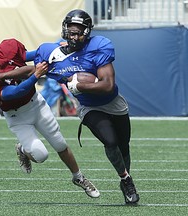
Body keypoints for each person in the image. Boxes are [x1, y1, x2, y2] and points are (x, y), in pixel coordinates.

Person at [0, 39, 100, 198]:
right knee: (41, 155)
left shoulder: (7, 50)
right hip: (17, 117)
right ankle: (22, 149)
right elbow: (14, 92)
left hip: (36, 105)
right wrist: (35, 75)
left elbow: (32, 55)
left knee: (60, 144)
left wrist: (62, 48)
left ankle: (79, 177)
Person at [33, 9, 140, 204]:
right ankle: (126, 179)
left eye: (79, 32)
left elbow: (107, 85)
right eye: (71, 32)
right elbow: (30, 61)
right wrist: (0, 73)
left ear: (87, 31)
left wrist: (80, 85)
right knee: (110, 141)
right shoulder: (56, 52)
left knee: (123, 146)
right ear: (65, 30)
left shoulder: (99, 46)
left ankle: (125, 177)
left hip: (113, 103)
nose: (74, 36)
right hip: (89, 107)